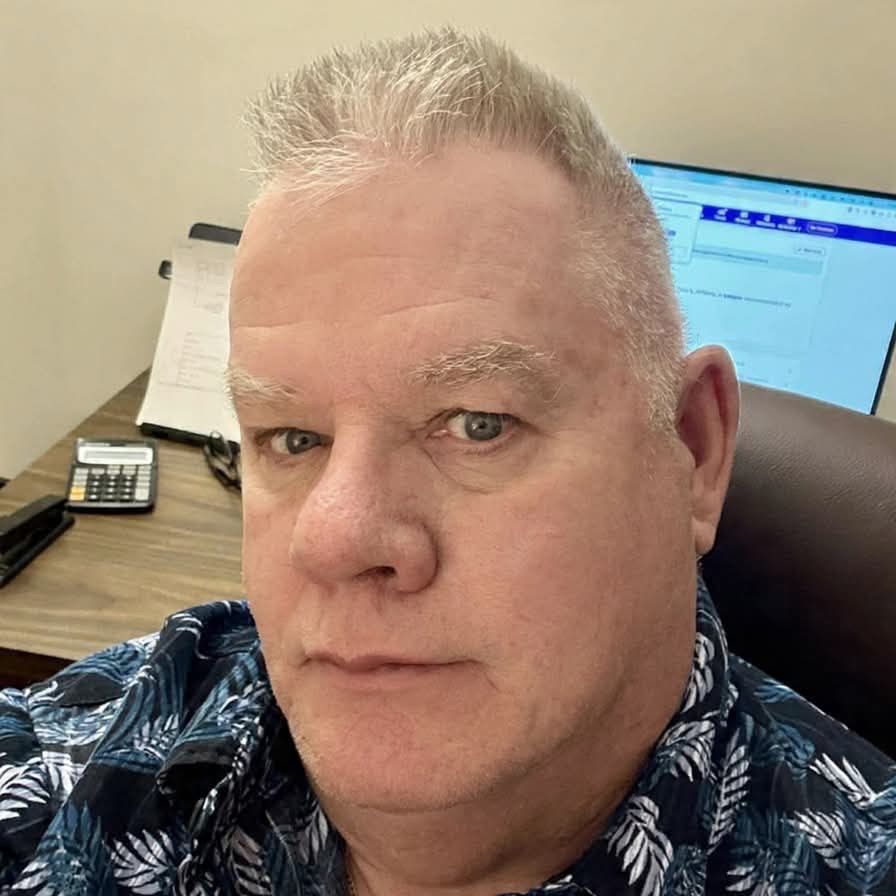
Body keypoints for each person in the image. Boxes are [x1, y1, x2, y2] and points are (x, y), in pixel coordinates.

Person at [1, 27, 894, 896]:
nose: (336, 538)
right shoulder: (62, 779)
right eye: (293, 439)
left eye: (477, 424)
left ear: (692, 450)